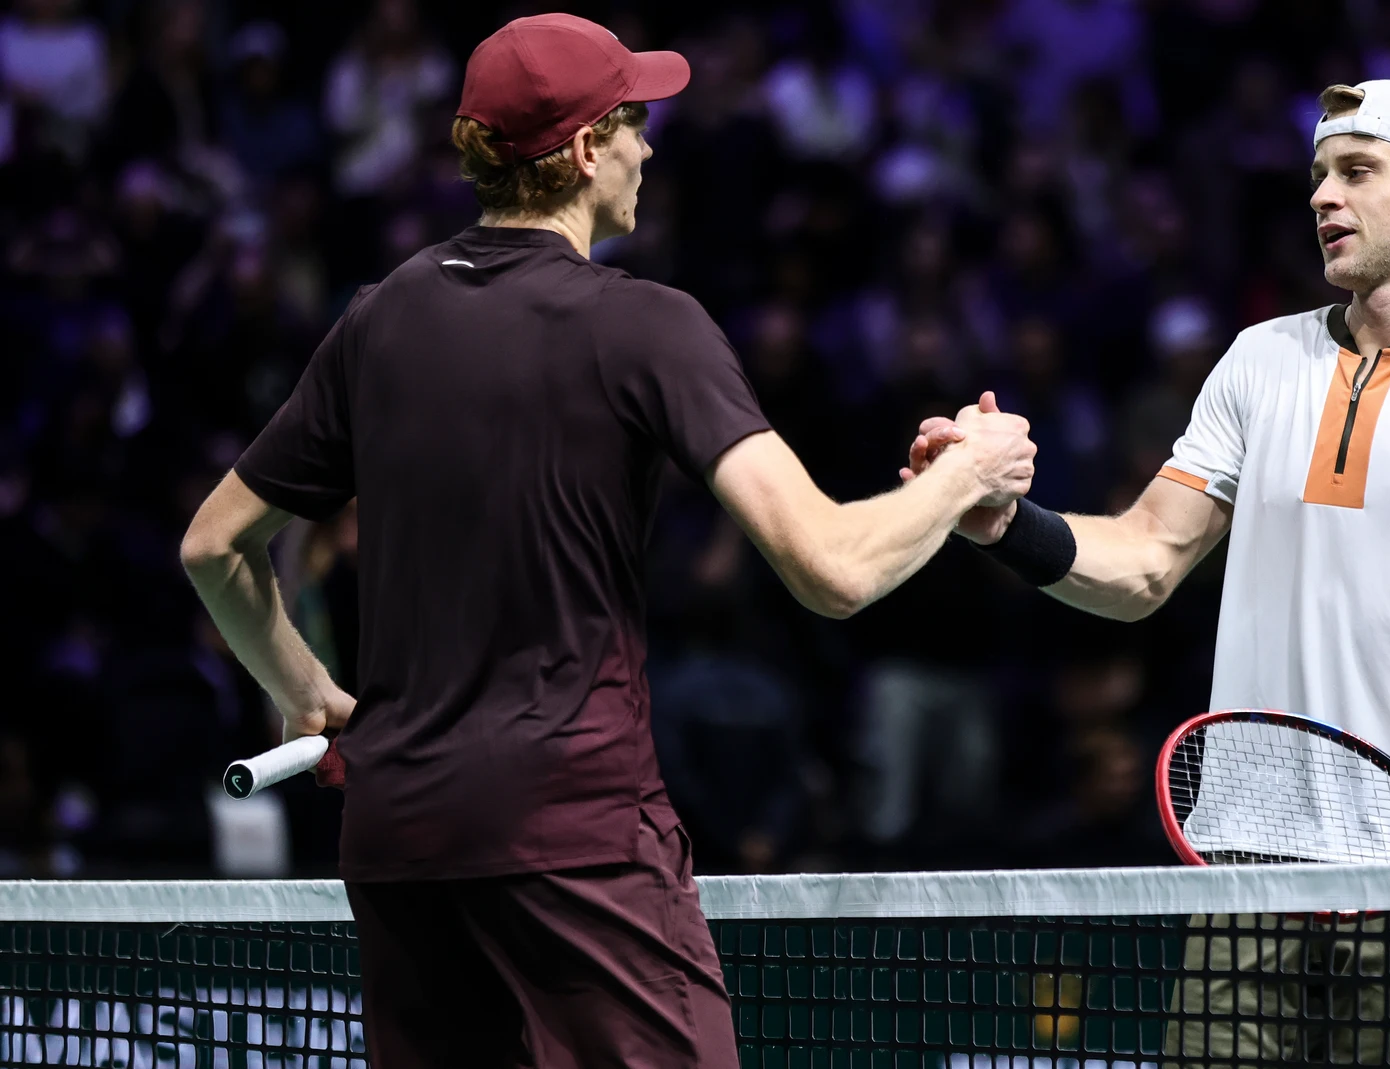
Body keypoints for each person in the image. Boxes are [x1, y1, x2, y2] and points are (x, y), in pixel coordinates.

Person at [179, 14, 1034, 1069]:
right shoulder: (646, 325)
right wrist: (966, 475)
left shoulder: (382, 316)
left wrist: (305, 690)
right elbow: (833, 567)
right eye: (633, 123)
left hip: (401, 834)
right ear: (585, 151)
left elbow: (214, 545)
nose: (650, 147)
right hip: (569, 832)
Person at [907, 80, 1390, 1065]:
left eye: (1356, 171)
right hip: (1244, 872)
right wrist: (1002, 522)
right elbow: (1143, 561)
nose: (1322, 196)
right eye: (1316, 175)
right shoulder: (1257, 363)